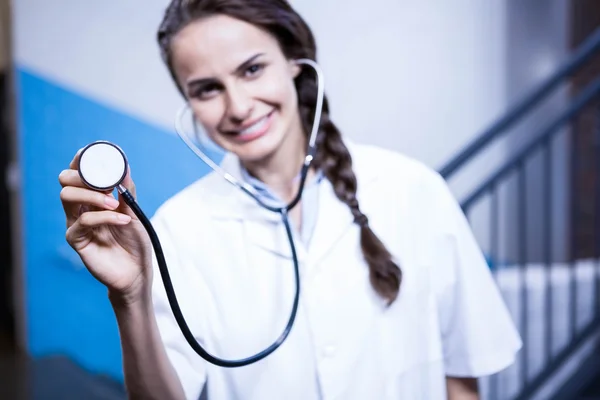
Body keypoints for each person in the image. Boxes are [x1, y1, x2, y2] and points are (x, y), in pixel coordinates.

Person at [58, 0, 522, 399]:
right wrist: (131, 297)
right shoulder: (177, 228)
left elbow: (462, 380)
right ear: (188, 103)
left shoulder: (415, 191)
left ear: (296, 63)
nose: (238, 106)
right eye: (207, 89)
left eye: (252, 69)